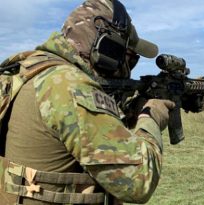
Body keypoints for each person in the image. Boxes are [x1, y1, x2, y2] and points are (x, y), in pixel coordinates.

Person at [0, 0, 174, 204]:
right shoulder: (69, 86)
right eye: (130, 58)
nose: (129, 67)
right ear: (108, 49)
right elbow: (138, 181)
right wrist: (150, 118)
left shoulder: (30, 71)